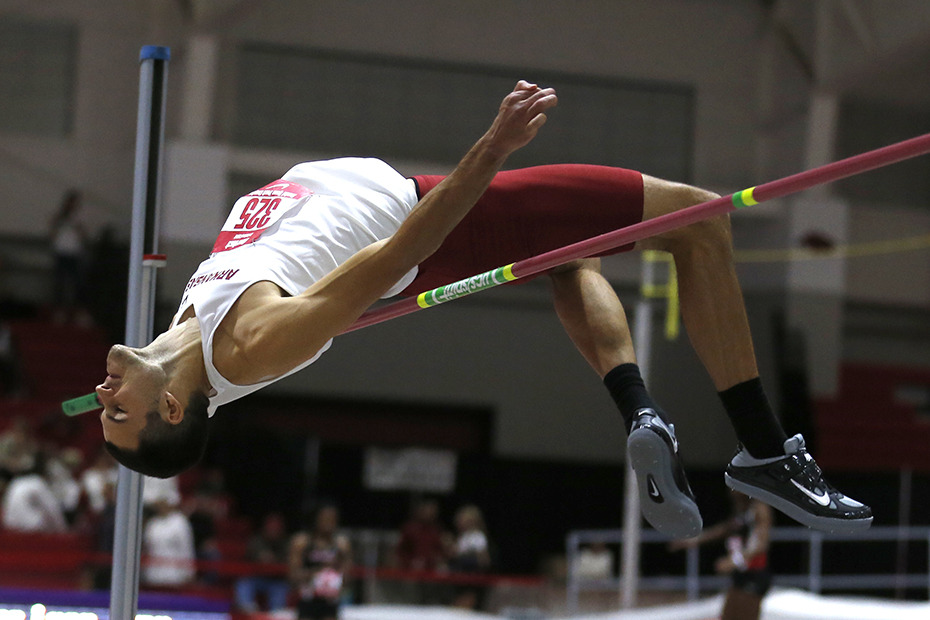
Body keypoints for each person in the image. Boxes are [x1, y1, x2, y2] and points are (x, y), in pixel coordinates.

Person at [95, 81, 871, 538]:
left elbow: (154, 405)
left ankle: (639, 411)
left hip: (429, 209)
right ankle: (768, 455)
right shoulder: (252, 344)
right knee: (700, 219)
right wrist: (492, 151)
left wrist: (127, 414)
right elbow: (397, 254)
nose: (102, 396)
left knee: (575, 254)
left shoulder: (181, 340)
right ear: (169, 403)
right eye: (117, 414)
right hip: (439, 218)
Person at [669, 490, 772, 620]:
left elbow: (760, 544)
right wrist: (692, 541)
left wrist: (734, 561)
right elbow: (724, 529)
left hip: (754, 573)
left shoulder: (758, 509)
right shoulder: (740, 509)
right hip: (740, 573)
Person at [289, 505, 351, 620]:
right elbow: (293, 575)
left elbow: (347, 577)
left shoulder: (341, 544)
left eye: (333, 519)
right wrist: (317, 573)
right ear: (316, 519)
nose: (330, 523)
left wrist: (335, 578)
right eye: (326, 519)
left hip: (330, 602)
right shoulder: (302, 542)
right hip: (307, 600)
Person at [235, 512, 291, 613]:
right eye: (271, 526)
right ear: (265, 527)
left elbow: (289, 561)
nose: (273, 530)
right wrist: (260, 556)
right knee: (243, 584)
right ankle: (248, 612)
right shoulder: (256, 540)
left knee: (280, 590)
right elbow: (249, 556)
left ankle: (275, 614)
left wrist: (275, 560)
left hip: (277, 580)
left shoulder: (286, 543)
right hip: (256, 577)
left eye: (276, 527)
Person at [142, 498, 196, 587]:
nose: (161, 506)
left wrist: (189, 571)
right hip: (153, 574)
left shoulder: (180, 521)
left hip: (174, 574)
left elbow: (186, 547)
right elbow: (147, 548)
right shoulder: (152, 523)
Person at [447, 504, 492, 610]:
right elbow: (454, 554)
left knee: (466, 604)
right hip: (458, 576)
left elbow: (484, 560)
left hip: (471, 577)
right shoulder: (463, 537)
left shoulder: (477, 536)